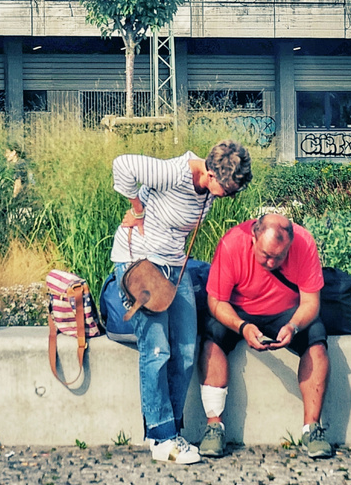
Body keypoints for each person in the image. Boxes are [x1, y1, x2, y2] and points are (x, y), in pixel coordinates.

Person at [107, 140, 252, 465]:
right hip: (142, 263)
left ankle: (170, 431)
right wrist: (137, 210)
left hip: (175, 265)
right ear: (210, 173)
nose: (226, 196)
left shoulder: (208, 189)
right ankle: (161, 439)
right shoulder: (175, 172)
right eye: (226, 189)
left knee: (186, 350)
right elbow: (122, 165)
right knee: (157, 350)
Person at [198, 212, 334, 459]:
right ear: (253, 238)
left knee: (316, 338)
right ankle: (214, 426)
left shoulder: (305, 243)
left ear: (290, 245)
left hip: (287, 311)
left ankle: (312, 429)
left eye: (279, 257)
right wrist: (242, 327)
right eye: (265, 255)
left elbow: (311, 303)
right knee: (212, 336)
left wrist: (293, 326)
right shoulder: (231, 243)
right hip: (238, 310)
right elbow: (216, 301)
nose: (271, 263)